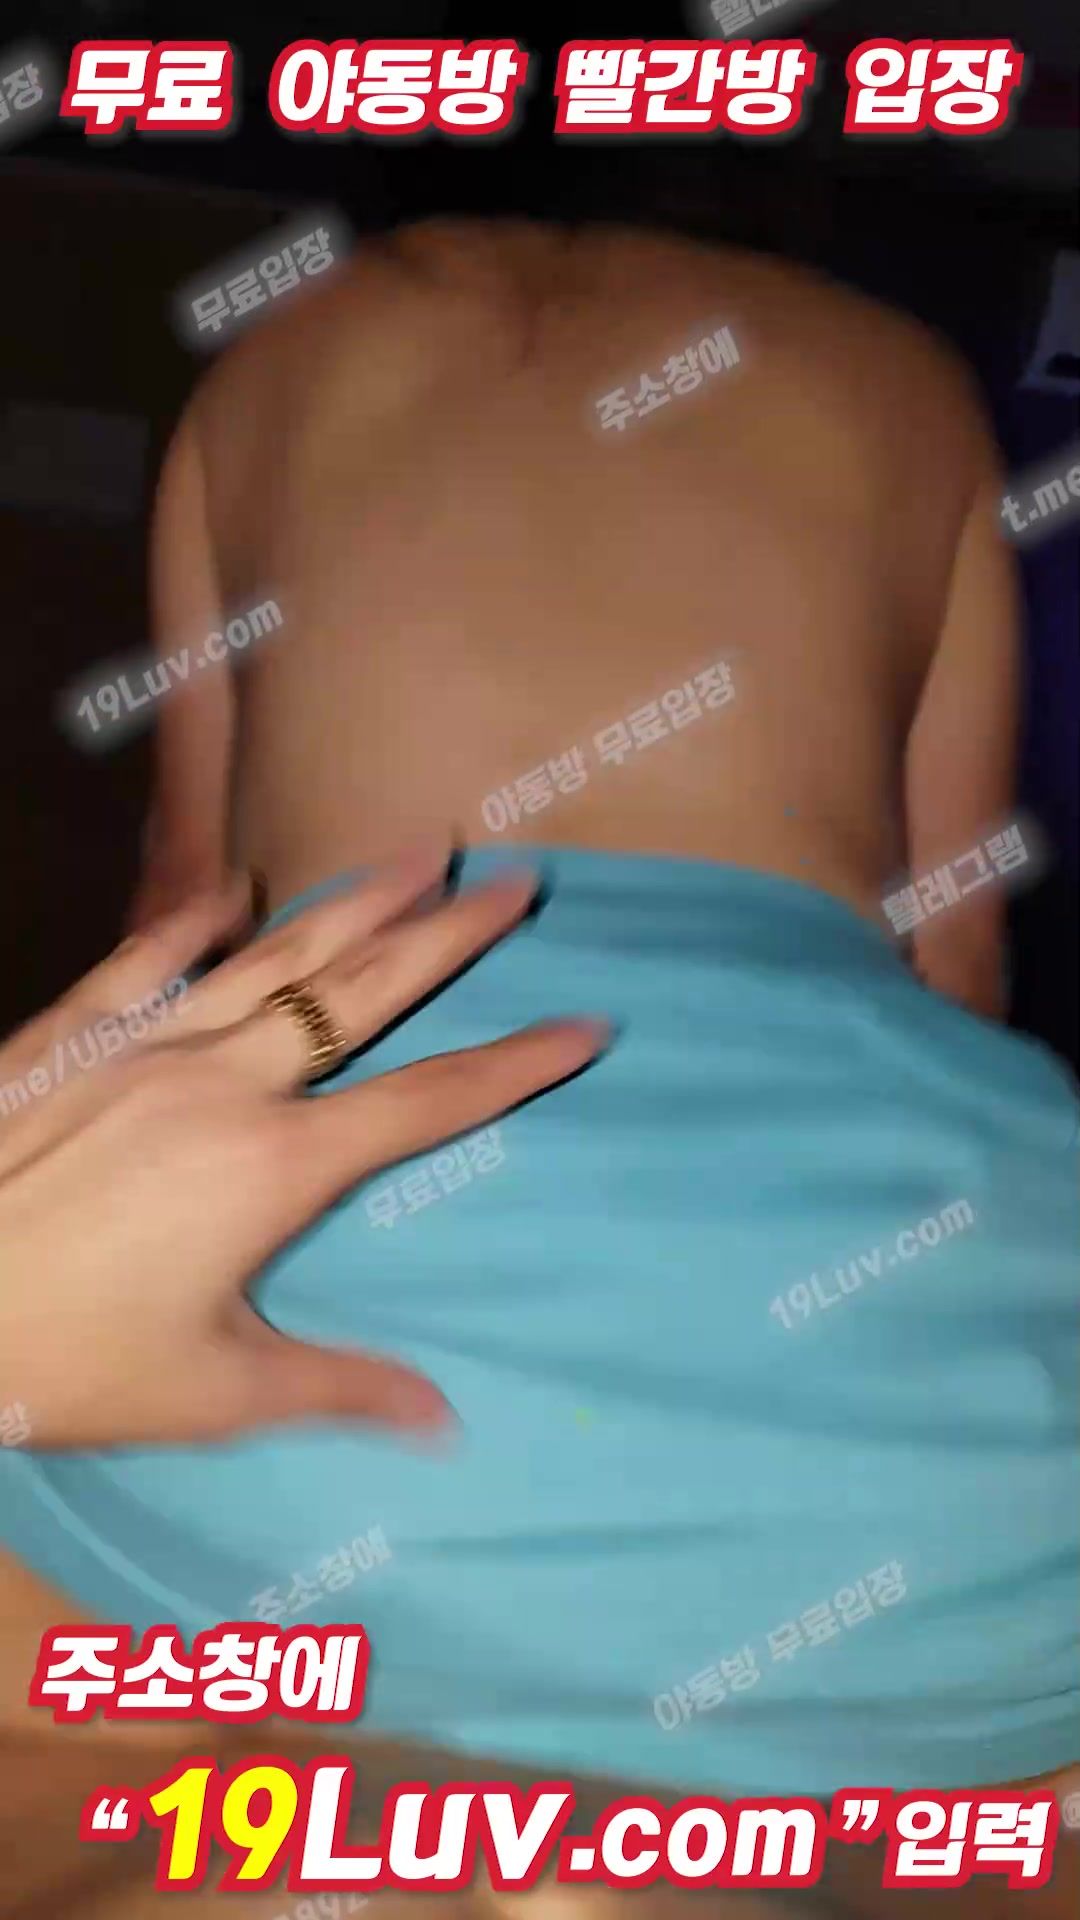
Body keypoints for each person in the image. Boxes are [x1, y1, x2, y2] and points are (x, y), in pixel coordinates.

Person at [4, 216, 1079, 1912]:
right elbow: (954, 958)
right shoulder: (905, 382)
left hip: (308, 1452)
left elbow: (192, 907)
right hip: (967, 1499)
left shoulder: (275, 361)